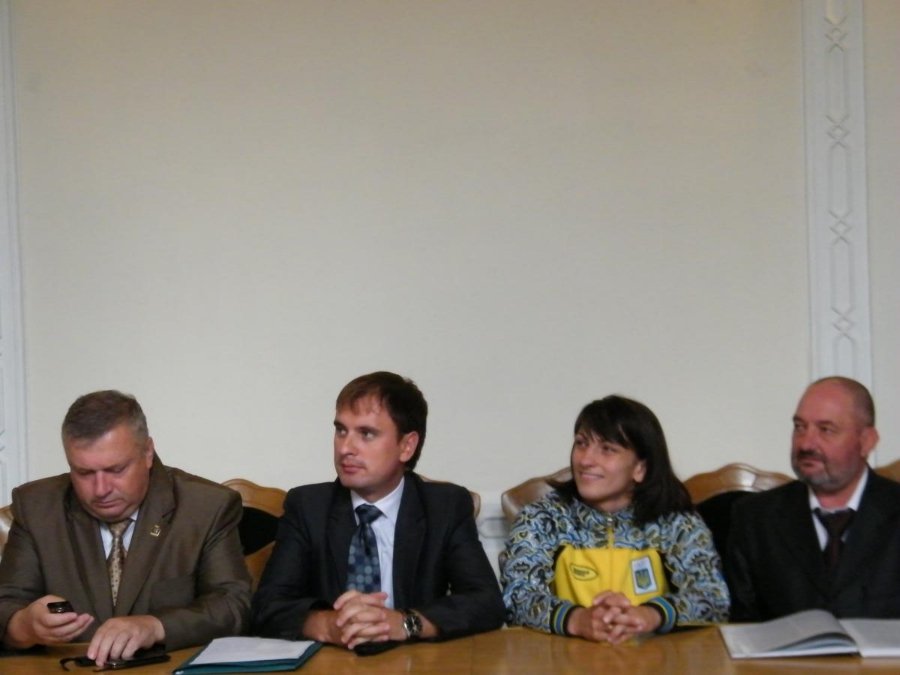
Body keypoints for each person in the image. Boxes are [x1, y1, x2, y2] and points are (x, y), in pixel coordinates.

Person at [251, 371, 504, 649]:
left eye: (366, 434)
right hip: (333, 662)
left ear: (406, 446)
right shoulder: (308, 506)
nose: (345, 448)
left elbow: (486, 602)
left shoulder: (445, 507)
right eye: (341, 431)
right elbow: (267, 607)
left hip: (415, 662)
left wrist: (405, 623)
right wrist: (328, 625)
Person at [0, 391, 250, 666]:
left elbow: (232, 606)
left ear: (147, 452)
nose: (101, 490)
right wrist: (23, 626)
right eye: (84, 473)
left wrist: (156, 626)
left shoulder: (206, 507)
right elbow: (6, 603)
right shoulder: (36, 507)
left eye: (116, 470)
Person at [500, 395, 729, 644]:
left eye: (607, 449)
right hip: (565, 657)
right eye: (581, 443)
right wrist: (577, 619)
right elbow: (517, 598)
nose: (585, 460)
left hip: (655, 657)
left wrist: (650, 615)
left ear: (640, 468)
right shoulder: (542, 518)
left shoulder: (675, 522)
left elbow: (713, 599)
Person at [726, 376, 900, 621]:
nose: (806, 443)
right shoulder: (755, 519)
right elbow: (741, 627)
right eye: (800, 427)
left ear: (866, 441)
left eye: (826, 430)